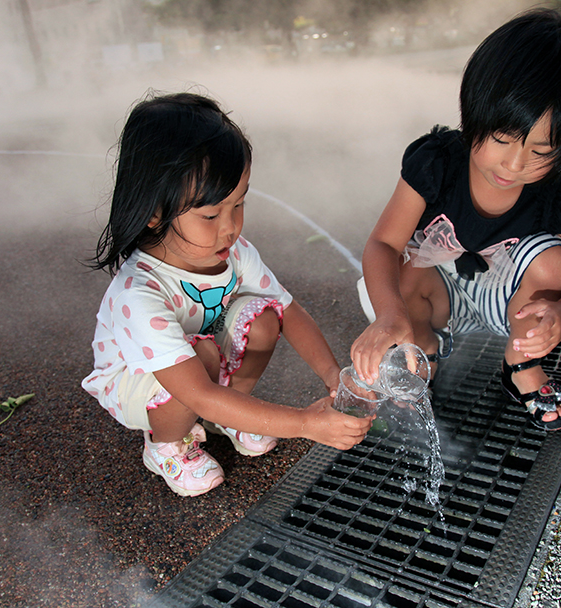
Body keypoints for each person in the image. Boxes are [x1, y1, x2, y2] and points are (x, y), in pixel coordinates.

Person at [83, 92, 372, 497]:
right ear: (152, 212)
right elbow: (196, 391)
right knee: (198, 363)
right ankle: (165, 444)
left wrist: (332, 377)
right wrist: (305, 423)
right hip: (136, 383)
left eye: (239, 204)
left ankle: (234, 412)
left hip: (200, 362)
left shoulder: (234, 254)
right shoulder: (139, 294)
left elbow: (288, 312)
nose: (230, 227)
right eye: (210, 214)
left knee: (265, 317)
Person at [351, 9, 561, 432]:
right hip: (441, 295)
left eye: (541, 152)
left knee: (554, 263)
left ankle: (521, 365)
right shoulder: (436, 163)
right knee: (398, 271)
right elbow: (383, 243)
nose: (514, 163)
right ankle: (422, 350)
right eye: (502, 139)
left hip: (508, 304)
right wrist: (388, 315)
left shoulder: (553, 195)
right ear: (474, 110)